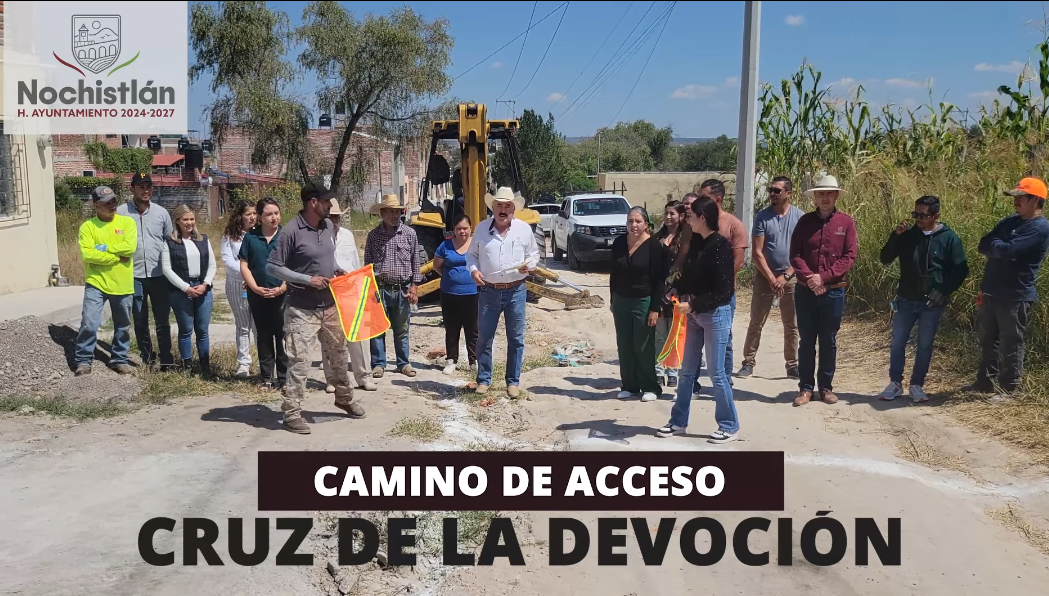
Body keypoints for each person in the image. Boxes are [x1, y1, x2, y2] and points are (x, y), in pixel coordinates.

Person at [267, 184, 364, 434]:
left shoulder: (328, 226)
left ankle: (344, 399)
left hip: (329, 305)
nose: (330, 207)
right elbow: (273, 267)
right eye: (326, 202)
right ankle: (292, 413)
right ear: (313, 202)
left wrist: (336, 269)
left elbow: (327, 257)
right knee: (300, 361)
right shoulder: (290, 232)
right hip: (301, 308)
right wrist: (307, 279)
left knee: (339, 357)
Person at [657, 195, 739, 443]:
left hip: (714, 314)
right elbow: (687, 276)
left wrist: (693, 304)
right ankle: (678, 421)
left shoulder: (721, 246)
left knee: (716, 373)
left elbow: (724, 291)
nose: (686, 218)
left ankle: (729, 425)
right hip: (692, 315)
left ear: (703, 218)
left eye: (690, 215)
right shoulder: (694, 243)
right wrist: (675, 289)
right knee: (687, 371)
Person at [878, 195, 969, 402]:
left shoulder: (949, 238)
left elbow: (960, 269)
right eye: (915, 214)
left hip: (931, 302)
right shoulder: (908, 235)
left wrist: (944, 290)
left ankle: (917, 385)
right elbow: (885, 258)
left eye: (923, 215)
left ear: (936, 215)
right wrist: (896, 236)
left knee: (924, 345)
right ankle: (895, 383)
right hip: (905, 300)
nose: (918, 219)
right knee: (897, 342)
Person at [970, 177, 1049, 398]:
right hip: (991, 291)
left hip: (1015, 295)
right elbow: (983, 243)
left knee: (1010, 343)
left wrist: (999, 247)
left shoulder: (1040, 228)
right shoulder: (1010, 222)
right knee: (987, 341)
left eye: (1021, 197)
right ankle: (984, 383)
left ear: (1036, 200)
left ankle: (1009, 388)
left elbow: (1009, 251)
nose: (1016, 201)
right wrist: (1000, 247)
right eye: (1015, 197)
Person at [789, 175, 858, 407]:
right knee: (807, 340)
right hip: (806, 291)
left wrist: (824, 277)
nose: (825, 197)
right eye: (821, 194)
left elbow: (849, 256)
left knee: (828, 340)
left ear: (836, 195)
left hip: (834, 291)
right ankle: (805, 388)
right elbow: (795, 255)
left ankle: (826, 387)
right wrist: (811, 278)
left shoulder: (846, 223)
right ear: (815, 198)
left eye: (829, 193)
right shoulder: (804, 222)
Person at [466, 186, 541, 398]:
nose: (503, 210)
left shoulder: (524, 229)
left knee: (515, 338)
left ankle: (512, 382)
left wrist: (530, 265)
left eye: (507, 206)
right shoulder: (481, 229)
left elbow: (534, 254)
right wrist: (473, 271)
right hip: (489, 291)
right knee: (484, 337)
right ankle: (484, 379)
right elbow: (471, 256)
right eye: (499, 205)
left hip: (516, 290)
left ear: (513, 209)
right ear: (493, 207)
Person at [737, 176, 804, 379]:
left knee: (791, 324)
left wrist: (785, 276)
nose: (772, 194)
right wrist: (771, 278)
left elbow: (802, 252)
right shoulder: (762, 217)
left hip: (790, 277)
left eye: (777, 191)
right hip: (764, 277)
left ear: (788, 193)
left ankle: (792, 364)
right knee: (756, 321)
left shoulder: (800, 217)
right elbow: (757, 252)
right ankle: (748, 362)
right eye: (771, 190)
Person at [73, 186, 138, 376]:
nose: (112, 205)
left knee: (123, 326)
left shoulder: (127, 223)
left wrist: (102, 249)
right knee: (89, 323)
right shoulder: (88, 227)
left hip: (122, 283)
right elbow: (88, 254)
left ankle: (119, 359)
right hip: (96, 283)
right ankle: (84, 360)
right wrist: (115, 258)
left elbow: (129, 247)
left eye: (113, 201)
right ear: (95, 205)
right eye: (106, 202)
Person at [117, 172, 175, 369]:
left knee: (162, 320)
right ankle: (147, 358)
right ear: (132, 188)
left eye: (148, 186)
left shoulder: (161, 213)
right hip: (134, 275)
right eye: (141, 187)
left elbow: (170, 240)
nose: (145, 190)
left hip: (159, 275)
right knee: (140, 319)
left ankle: (166, 359)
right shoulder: (121, 213)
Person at [694, 179, 749, 383]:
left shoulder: (734, 225)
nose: (700, 201)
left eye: (704, 197)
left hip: (723, 294)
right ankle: (694, 382)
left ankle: (724, 381)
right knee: (695, 339)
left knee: (723, 339)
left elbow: (739, 261)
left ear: (718, 199)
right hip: (697, 293)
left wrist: (718, 282)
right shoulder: (699, 222)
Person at [610, 206, 665, 402]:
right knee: (624, 344)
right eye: (630, 221)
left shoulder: (653, 246)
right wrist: (612, 300)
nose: (634, 225)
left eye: (638, 221)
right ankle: (630, 386)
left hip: (643, 301)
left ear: (646, 224)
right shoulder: (618, 243)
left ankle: (650, 386)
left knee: (643, 345)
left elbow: (659, 279)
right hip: (621, 300)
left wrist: (654, 308)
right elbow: (614, 274)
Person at [363, 194, 422, 378]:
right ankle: (378, 364)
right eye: (391, 212)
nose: (395, 215)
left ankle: (403, 363)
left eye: (398, 211)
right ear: (382, 213)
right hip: (380, 289)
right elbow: (368, 265)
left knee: (402, 328)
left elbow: (416, 263)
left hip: (403, 289)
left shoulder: (409, 234)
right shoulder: (373, 236)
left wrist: (414, 288)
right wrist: (370, 290)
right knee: (377, 328)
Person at [323, 198, 378, 392]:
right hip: (327, 291)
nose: (334, 220)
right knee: (331, 337)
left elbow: (356, 262)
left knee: (358, 336)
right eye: (330, 216)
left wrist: (361, 288)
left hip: (350, 290)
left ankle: (364, 376)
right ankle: (332, 379)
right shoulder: (317, 237)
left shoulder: (347, 235)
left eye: (336, 216)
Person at [239, 198, 289, 391]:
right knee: (264, 335)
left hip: (282, 294)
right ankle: (266, 378)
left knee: (282, 335)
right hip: (258, 294)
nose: (274, 217)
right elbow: (244, 265)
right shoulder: (251, 237)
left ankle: (284, 378)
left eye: (276, 213)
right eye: (269, 214)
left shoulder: (286, 235)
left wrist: (283, 287)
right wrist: (255, 288)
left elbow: (293, 264)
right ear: (260, 217)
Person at [161, 204, 218, 376]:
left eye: (192, 219)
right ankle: (187, 367)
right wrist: (186, 288)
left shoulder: (203, 240)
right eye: (185, 219)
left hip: (203, 289)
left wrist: (205, 284)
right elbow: (167, 269)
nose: (189, 222)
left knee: (202, 330)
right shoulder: (169, 242)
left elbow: (212, 265)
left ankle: (204, 366)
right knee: (185, 330)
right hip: (181, 292)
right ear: (177, 221)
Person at [433, 214, 479, 375]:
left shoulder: (476, 245)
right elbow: (437, 266)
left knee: (472, 329)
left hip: (472, 294)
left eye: (465, 228)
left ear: (471, 228)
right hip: (449, 294)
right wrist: (449, 277)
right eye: (458, 229)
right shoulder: (445, 246)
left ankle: (474, 360)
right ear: (454, 229)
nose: (462, 232)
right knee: (452, 328)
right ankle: (451, 360)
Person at [653, 201, 689, 387]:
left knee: (675, 334)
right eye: (666, 213)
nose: (668, 217)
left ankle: (673, 371)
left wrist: (679, 287)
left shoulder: (687, 239)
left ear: (681, 216)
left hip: (679, 293)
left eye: (672, 214)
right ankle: (659, 371)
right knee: (660, 334)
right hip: (659, 291)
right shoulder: (657, 237)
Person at [220, 200, 257, 379]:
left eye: (255, 213)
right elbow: (228, 261)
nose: (252, 217)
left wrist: (254, 279)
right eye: (248, 214)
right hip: (237, 284)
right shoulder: (230, 236)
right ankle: (244, 364)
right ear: (240, 216)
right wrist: (246, 276)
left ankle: (266, 362)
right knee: (243, 325)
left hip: (258, 284)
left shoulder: (259, 235)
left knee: (259, 325)